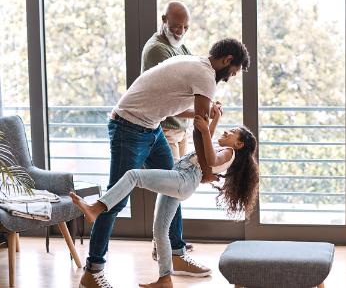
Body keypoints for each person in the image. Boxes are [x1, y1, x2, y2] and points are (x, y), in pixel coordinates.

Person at [79, 38, 250, 288]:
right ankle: (92, 271)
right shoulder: (206, 76)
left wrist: (204, 114)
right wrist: (205, 171)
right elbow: (197, 132)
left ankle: (175, 256)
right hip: (129, 127)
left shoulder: (195, 63)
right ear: (227, 60)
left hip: (150, 127)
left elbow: (173, 107)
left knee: (173, 188)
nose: (229, 77)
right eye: (232, 72)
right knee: (116, 198)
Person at [71, 109, 259, 288]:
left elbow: (209, 160)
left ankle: (96, 208)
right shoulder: (223, 149)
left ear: (239, 144)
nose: (227, 131)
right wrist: (214, 119)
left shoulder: (229, 153)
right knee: (161, 231)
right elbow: (204, 146)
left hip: (182, 180)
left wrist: (203, 128)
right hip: (181, 181)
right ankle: (165, 278)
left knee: (133, 176)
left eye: (233, 132)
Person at [141, 0, 195, 262]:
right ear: (163, 19)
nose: (181, 31)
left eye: (185, 27)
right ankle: (170, 247)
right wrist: (200, 109)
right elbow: (171, 98)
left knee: (176, 190)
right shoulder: (157, 50)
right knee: (173, 189)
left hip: (180, 130)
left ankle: (170, 242)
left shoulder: (178, 45)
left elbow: (190, 82)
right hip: (165, 130)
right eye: (176, 26)